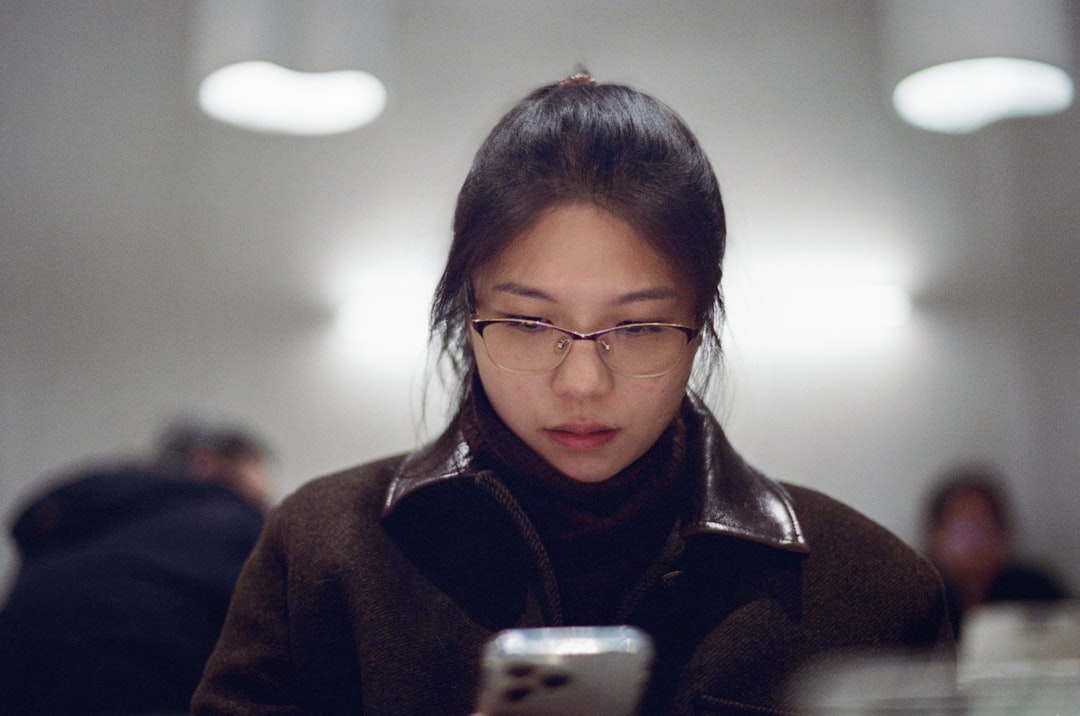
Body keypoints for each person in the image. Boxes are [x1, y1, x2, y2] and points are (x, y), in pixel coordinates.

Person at [192, 74, 953, 715]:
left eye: (640, 327)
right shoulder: (325, 558)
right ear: (466, 313)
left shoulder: (873, 594)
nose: (583, 382)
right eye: (528, 323)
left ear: (701, 324)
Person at [0, 419, 272, 715]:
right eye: (255, 491)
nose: (264, 503)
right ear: (204, 464)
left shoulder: (77, 517)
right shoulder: (235, 521)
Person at [922, 464, 1068, 639]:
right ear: (935, 535)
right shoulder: (916, 600)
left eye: (987, 528)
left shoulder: (1037, 591)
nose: (977, 542)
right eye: (966, 531)